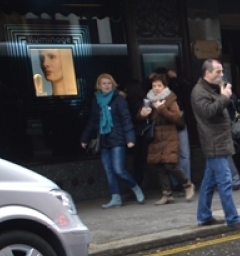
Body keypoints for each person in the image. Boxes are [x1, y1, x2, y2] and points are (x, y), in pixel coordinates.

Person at [191, 59, 240, 230]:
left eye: (221, 70)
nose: (221, 74)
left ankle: (204, 216)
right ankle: (233, 219)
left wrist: (226, 96)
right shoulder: (198, 92)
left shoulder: (212, 89)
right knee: (225, 181)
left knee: (209, 181)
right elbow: (208, 112)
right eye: (217, 71)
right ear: (207, 73)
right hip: (214, 142)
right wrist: (224, 98)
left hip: (220, 140)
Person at [80, 73, 144, 209]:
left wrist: (130, 138)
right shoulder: (96, 100)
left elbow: (126, 119)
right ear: (99, 86)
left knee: (119, 169)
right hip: (104, 139)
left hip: (118, 138)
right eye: (104, 83)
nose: (107, 86)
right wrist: (85, 138)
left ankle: (135, 187)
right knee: (109, 171)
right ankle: (116, 197)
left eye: (109, 83)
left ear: (113, 84)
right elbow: (93, 120)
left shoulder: (119, 99)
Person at [139, 72, 193, 205]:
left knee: (170, 164)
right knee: (158, 165)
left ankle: (187, 184)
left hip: (169, 134)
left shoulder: (170, 99)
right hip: (156, 135)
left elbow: (177, 118)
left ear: (164, 86)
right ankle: (167, 194)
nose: (156, 88)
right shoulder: (148, 99)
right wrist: (142, 114)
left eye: (159, 85)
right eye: (154, 86)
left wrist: (161, 108)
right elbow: (141, 117)